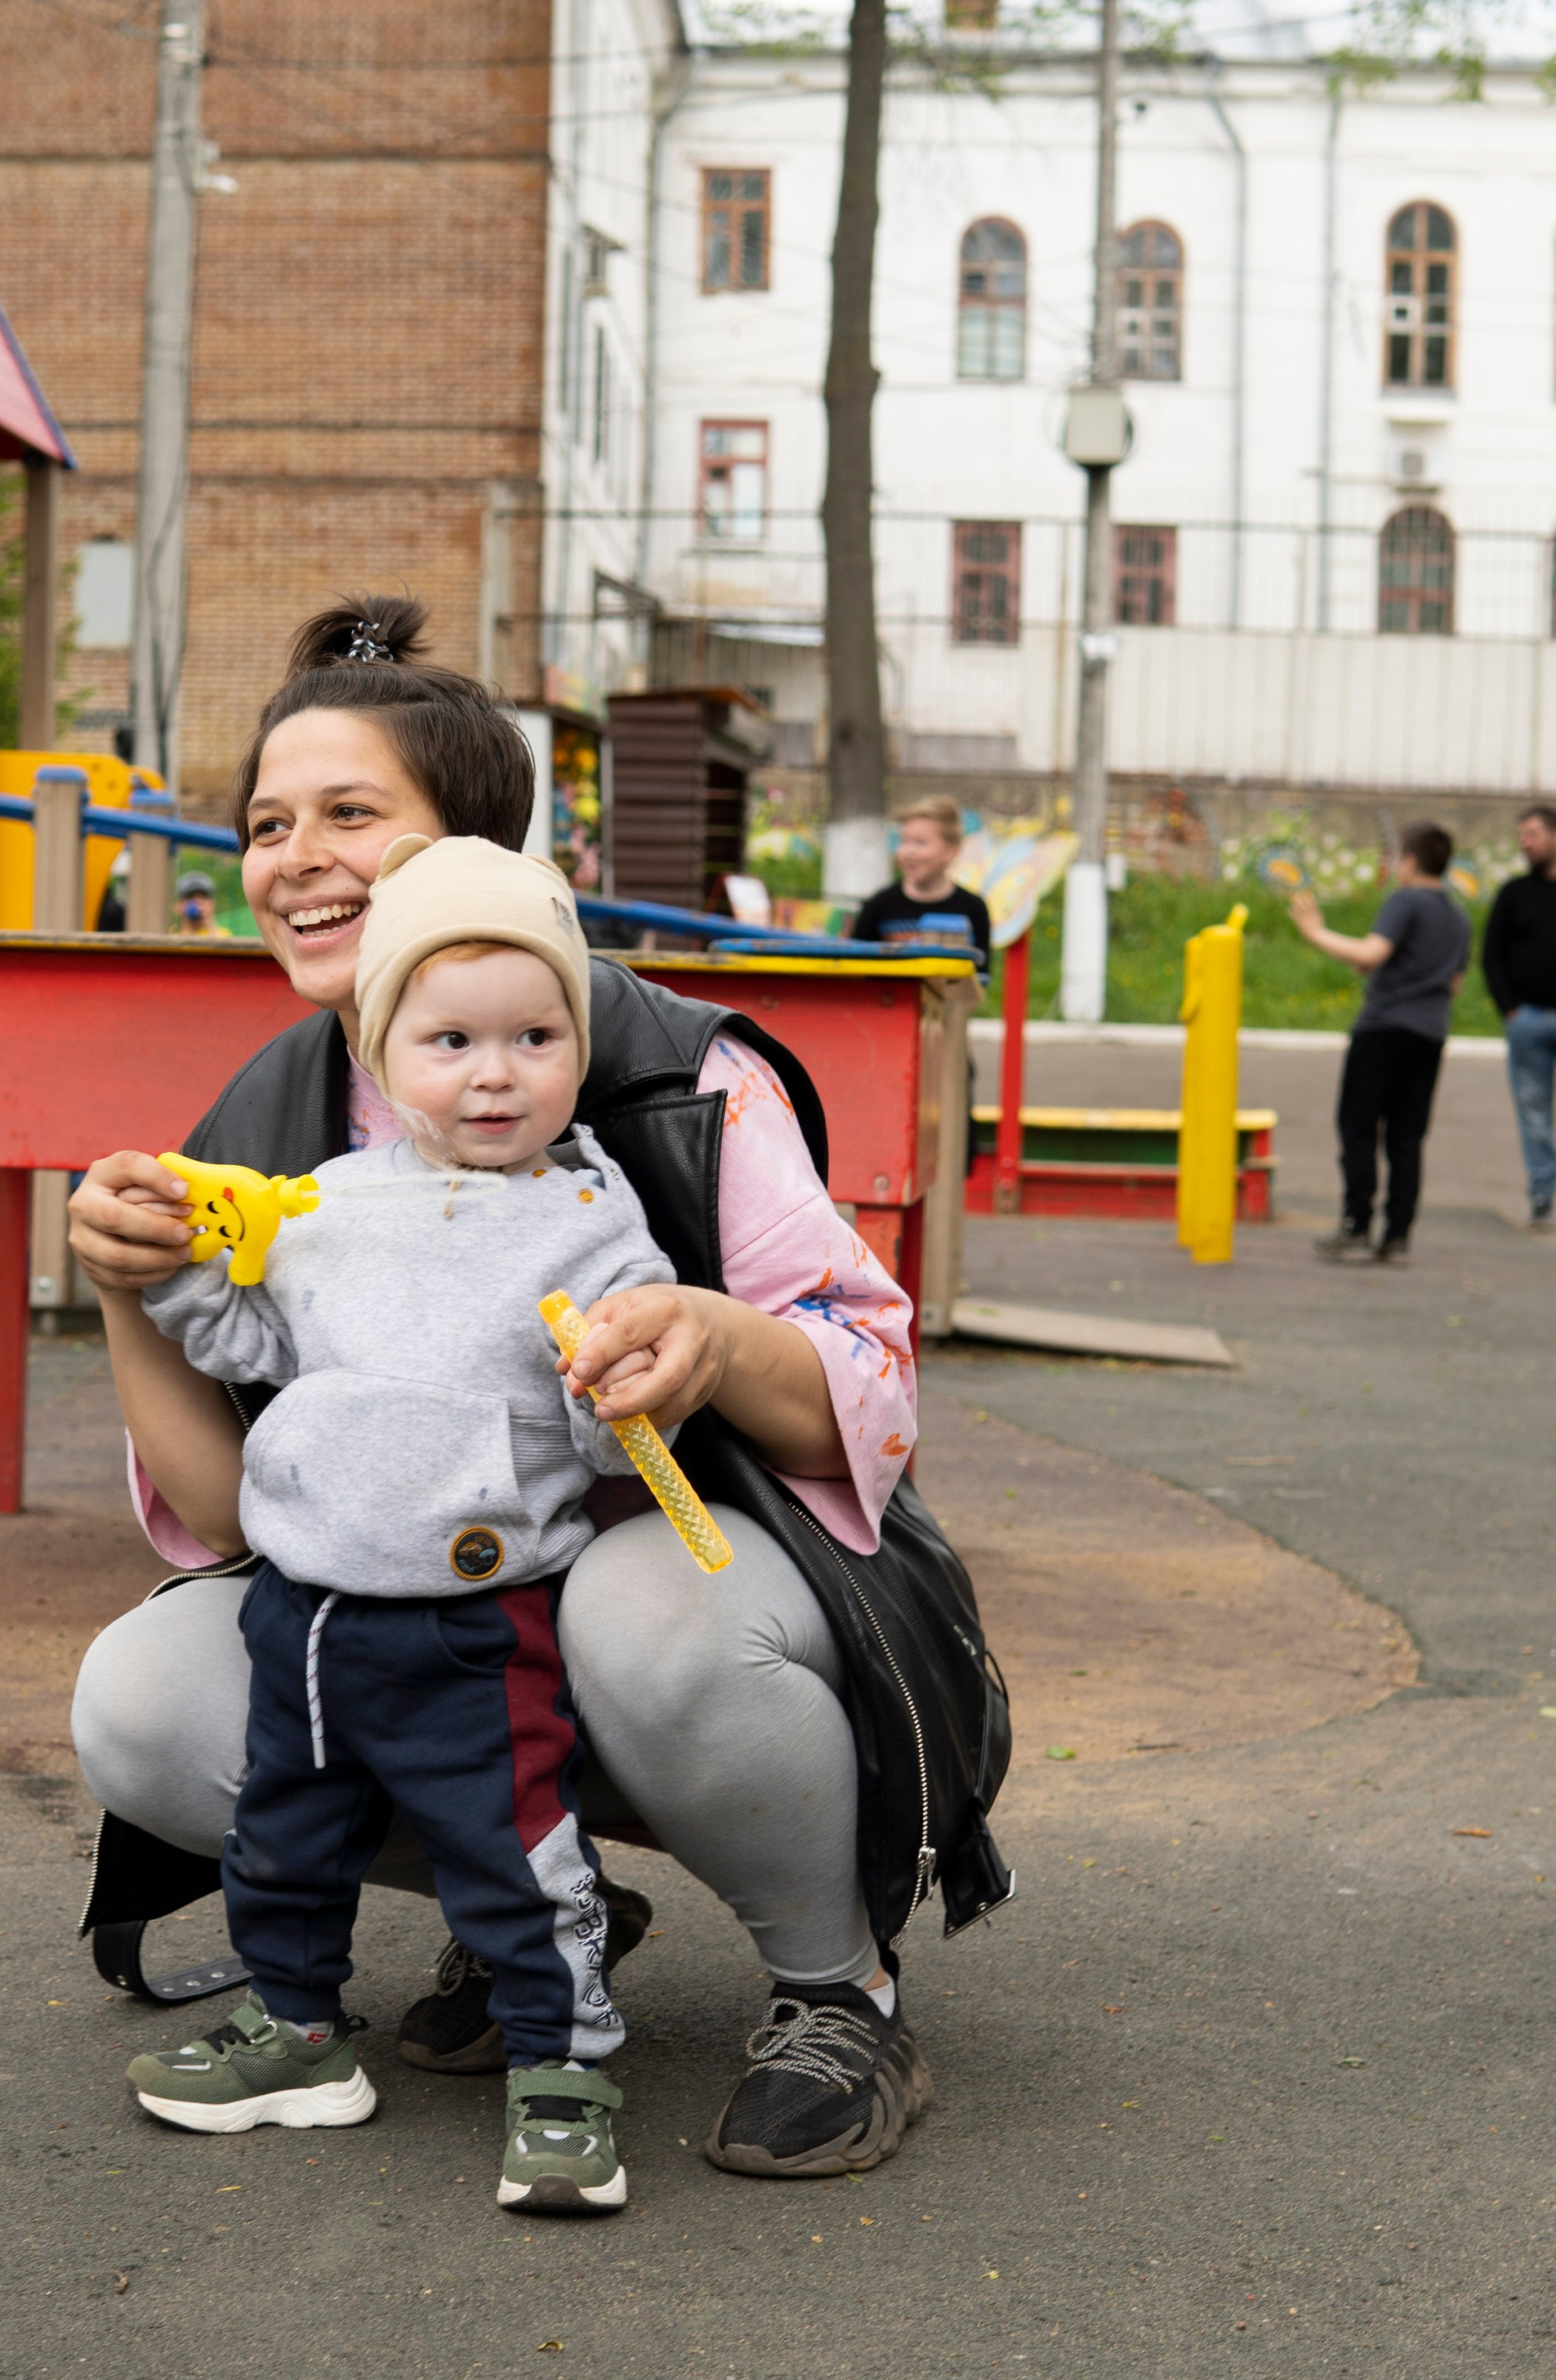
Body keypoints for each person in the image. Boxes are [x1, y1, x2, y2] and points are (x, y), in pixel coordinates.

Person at [68, 596, 1001, 2186]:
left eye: (349, 814)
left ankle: (839, 1990)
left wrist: (710, 1338)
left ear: (479, 852)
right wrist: (123, 1289)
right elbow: (235, 1518)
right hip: (435, 1620)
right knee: (144, 1699)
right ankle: (529, 1897)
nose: (296, 858)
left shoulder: (673, 1075)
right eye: (267, 825)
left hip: (695, 1595)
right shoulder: (271, 1119)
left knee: (637, 1611)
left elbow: (873, 1391)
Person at [126, 835, 677, 2215]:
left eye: (537, 1037)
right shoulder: (327, 1203)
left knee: (515, 1852)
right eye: (451, 1041)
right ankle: (301, 2031)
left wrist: (619, 1387)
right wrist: (176, 1266)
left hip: (474, 1617)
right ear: (381, 1053)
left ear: (579, 1046)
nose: (495, 1073)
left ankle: (562, 2075)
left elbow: (622, 1429)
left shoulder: (598, 1225)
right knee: (281, 1838)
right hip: (306, 1606)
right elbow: (249, 1340)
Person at [1293, 820, 1470, 1265]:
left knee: (1358, 1126)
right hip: (1429, 1032)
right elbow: (1453, 984)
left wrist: (1315, 931)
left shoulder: (1405, 901)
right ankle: (1398, 1233)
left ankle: (1356, 1222)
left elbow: (1371, 953)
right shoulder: (1458, 917)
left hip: (1384, 1027)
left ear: (1409, 861)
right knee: (1407, 1137)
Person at [1481, 801, 1556, 1230]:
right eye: (1521, 837)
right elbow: (1491, 954)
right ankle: (1543, 1193)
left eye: (1533, 835)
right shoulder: (1514, 894)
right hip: (1527, 1019)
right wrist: (1509, 1007)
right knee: (1534, 1111)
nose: (1525, 844)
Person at [849, 793, 992, 974]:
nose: (908, 851)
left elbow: (981, 975)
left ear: (951, 851)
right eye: (904, 841)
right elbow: (857, 969)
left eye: (920, 843)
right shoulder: (878, 906)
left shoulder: (973, 908)